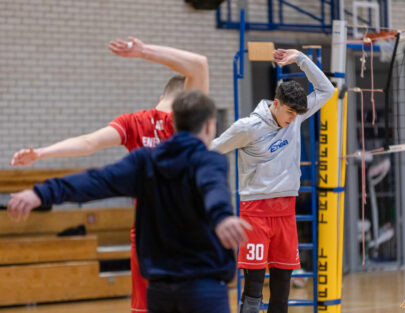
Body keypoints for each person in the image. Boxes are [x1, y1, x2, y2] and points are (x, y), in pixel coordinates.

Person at [9, 37, 209, 313]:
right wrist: (142, 52)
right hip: (187, 235)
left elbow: (88, 142)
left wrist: (42, 152)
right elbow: (199, 64)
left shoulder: (134, 123)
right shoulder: (189, 124)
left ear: (162, 96)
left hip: (147, 235)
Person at [7, 90, 250, 313]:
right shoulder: (209, 160)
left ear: (173, 123)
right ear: (209, 126)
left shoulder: (144, 161)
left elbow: (95, 180)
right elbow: (213, 188)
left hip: (159, 292)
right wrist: (222, 217)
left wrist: (42, 192)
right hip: (203, 288)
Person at [211, 48, 335, 313]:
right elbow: (211, 149)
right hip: (254, 213)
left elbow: (327, 91)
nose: (293, 119)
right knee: (254, 288)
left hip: (285, 212)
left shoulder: (296, 116)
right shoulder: (247, 127)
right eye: (289, 113)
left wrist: (301, 58)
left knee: (282, 289)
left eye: (296, 115)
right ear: (276, 103)